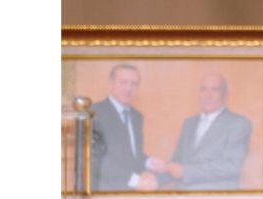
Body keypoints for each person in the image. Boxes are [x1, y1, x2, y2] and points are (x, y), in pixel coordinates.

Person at [157, 73, 252, 191]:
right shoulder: (189, 123)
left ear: (226, 95)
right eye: (203, 90)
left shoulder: (239, 123)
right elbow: (177, 163)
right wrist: (155, 179)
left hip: (216, 196)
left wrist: (186, 171)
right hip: (182, 194)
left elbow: (232, 166)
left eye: (215, 90)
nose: (208, 95)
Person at [91, 63, 164, 191]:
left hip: (133, 190)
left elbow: (132, 154)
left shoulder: (137, 116)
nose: (129, 88)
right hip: (105, 191)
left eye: (134, 84)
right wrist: (136, 181)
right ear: (111, 84)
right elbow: (97, 161)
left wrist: (149, 162)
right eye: (123, 82)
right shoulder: (94, 113)